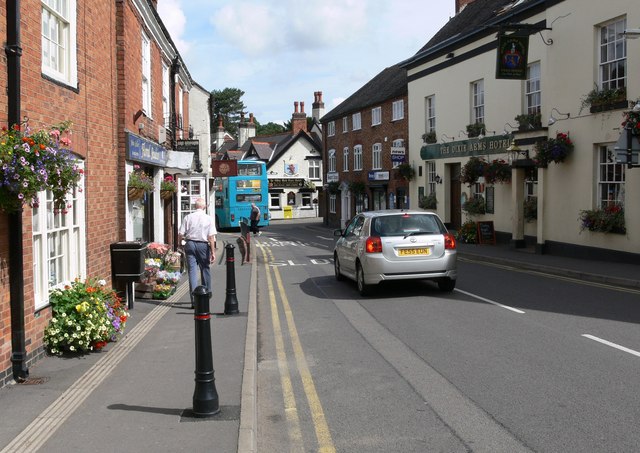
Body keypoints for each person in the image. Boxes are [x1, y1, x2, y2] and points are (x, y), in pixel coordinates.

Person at [178, 198, 217, 308]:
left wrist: (180, 244)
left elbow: (180, 233)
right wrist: (213, 252)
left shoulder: (188, 217)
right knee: (205, 268)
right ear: (204, 207)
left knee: (192, 271)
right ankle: (206, 293)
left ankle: (194, 300)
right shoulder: (208, 218)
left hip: (190, 244)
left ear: (195, 206)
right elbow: (211, 237)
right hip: (203, 245)